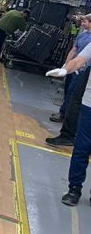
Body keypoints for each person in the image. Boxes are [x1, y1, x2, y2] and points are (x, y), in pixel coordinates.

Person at [46, 41, 91, 205]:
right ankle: (74, 189)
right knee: (82, 147)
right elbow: (79, 60)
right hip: (89, 105)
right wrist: (65, 69)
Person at [46, 14, 91, 134]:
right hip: (72, 68)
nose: (82, 24)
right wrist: (65, 66)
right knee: (68, 91)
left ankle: (66, 116)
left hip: (82, 71)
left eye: (85, 22)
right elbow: (73, 50)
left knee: (73, 94)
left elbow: (84, 58)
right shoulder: (82, 35)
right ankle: (63, 112)